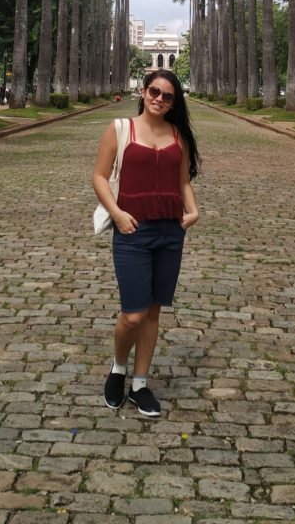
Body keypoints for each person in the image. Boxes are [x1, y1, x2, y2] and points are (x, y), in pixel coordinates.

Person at [92, 69, 201, 418]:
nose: (159, 99)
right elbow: (99, 176)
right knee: (133, 313)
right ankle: (118, 367)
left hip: (170, 232)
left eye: (168, 96)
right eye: (155, 91)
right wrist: (118, 213)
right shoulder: (121, 128)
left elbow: (183, 181)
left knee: (153, 311)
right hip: (132, 231)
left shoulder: (178, 136)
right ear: (143, 91)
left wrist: (194, 211)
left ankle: (139, 384)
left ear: (174, 102)